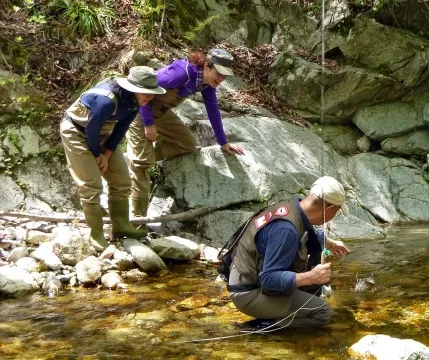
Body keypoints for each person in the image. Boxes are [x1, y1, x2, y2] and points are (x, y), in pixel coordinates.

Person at [126, 48, 245, 219]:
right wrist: (148, 123)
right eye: (218, 73)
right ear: (206, 66)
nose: (221, 79)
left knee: (187, 143)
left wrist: (223, 142)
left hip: (162, 112)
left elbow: (213, 110)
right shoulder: (180, 74)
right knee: (142, 164)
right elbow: (144, 89)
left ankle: (135, 158)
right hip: (139, 109)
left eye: (225, 76)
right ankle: (137, 220)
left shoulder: (206, 83)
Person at [60, 66, 166, 250]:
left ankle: (121, 226)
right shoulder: (107, 100)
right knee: (91, 186)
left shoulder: (136, 102)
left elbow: (121, 128)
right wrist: (97, 155)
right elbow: (91, 129)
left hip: (102, 134)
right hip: (76, 132)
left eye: (152, 93)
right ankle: (96, 234)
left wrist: (107, 154)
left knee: (122, 180)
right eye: (146, 93)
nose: (150, 97)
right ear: (134, 88)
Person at [227, 176, 351, 330]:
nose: (335, 215)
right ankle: (262, 326)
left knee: (316, 289)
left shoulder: (293, 209)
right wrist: (310, 277)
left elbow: (307, 233)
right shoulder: (285, 230)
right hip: (248, 293)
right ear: (330, 209)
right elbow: (269, 279)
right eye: (338, 211)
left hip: (243, 277)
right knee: (322, 312)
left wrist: (329, 243)